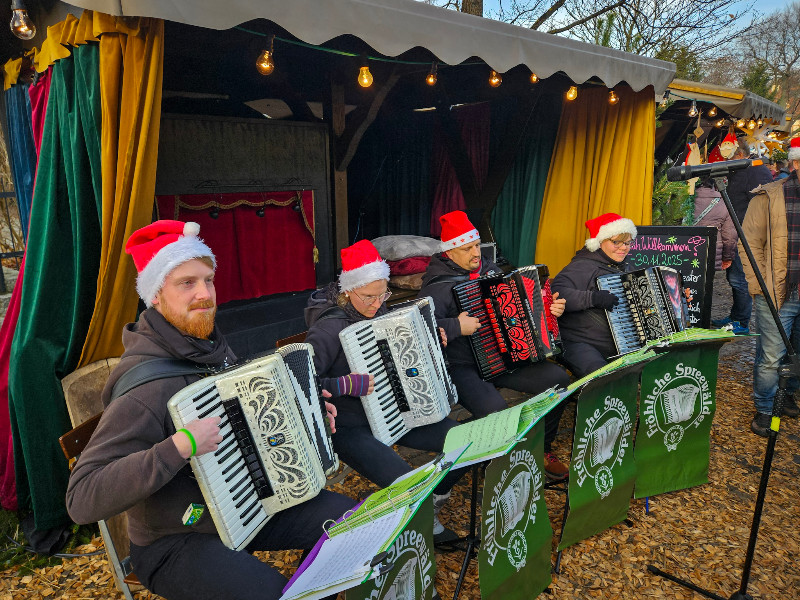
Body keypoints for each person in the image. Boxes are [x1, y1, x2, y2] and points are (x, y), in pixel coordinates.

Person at [66, 221, 354, 600]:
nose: (204, 294)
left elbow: (243, 425)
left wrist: (308, 418)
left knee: (349, 523)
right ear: (156, 295)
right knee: (272, 594)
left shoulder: (206, 346)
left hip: (245, 504)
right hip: (175, 540)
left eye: (208, 280)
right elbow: (82, 498)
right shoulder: (144, 388)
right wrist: (179, 445)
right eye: (187, 283)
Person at [304, 239, 463, 543]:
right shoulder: (327, 329)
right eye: (368, 297)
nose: (377, 304)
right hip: (350, 428)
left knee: (465, 441)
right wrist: (343, 384)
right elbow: (301, 384)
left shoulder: (380, 310)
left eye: (383, 294)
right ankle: (414, 522)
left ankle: (431, 502)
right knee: (406, 482)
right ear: (348, 291)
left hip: (396, 411)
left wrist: (431, 338)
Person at [417, 211, 571, 481]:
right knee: (495, 410)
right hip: (461, 367)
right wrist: (455, 326)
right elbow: (419, 332)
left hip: (502, 356)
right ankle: (496, 467)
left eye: (477, 245)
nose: (476, 253)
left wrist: (548, 310)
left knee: (557, 380)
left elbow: (519, 312)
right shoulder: (436, 287)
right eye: (467, 248)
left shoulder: (491, 272)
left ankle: (542, 449)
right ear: (449, 252)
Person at [740, 137, 800, 437]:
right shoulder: (768, 196)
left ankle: (787, 392)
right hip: (776, 290)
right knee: (771, 355)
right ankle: (765, 408)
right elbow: (749, 244)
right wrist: (759, 285)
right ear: (796, 163)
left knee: (798, 351)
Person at [550, 212, 638, 378]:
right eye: (616, 242)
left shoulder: (626, 268)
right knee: (601, 377)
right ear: (599, 241)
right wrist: (592, 298)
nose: (623, 248)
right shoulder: (583, 266)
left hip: (620, 344)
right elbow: (557, 291)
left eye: (627, 243)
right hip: (580, 342)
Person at [711, 136, 774, 334]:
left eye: (729, 156)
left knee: (740, 279)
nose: (726, 160)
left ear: (739, 154)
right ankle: (735, 316)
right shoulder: (740, 169)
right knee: (734, 277)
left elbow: (764, 204)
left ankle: (741, 321)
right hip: (735, 231)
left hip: (746, 234)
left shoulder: (755, 170)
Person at [693, 176, 737, 275]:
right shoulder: (722, 202)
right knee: (707, 280)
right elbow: (729, 236)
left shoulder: (684, 201)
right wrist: (727, 257)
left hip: (686, 250)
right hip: (712, 253)